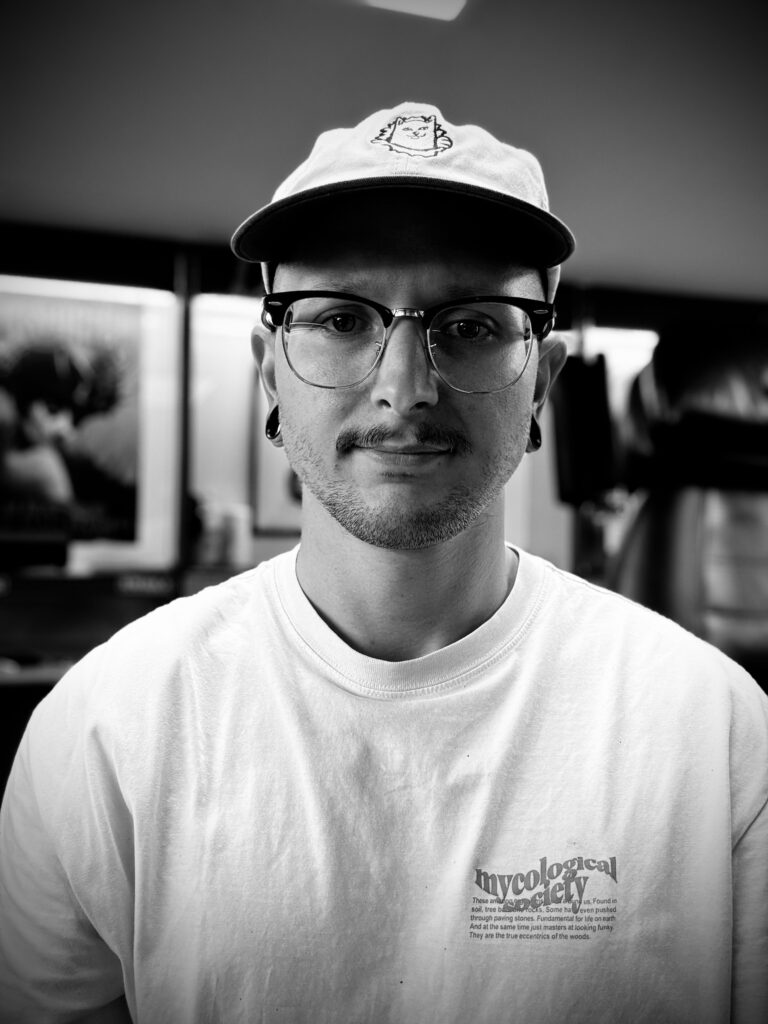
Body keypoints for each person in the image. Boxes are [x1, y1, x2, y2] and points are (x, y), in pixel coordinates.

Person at [0, 102, 766, 1024]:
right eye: (340, 319)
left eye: (474, 325)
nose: (405, 386)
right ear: (268, 372)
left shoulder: (717, 734)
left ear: (543, 383)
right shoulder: (105, 729)